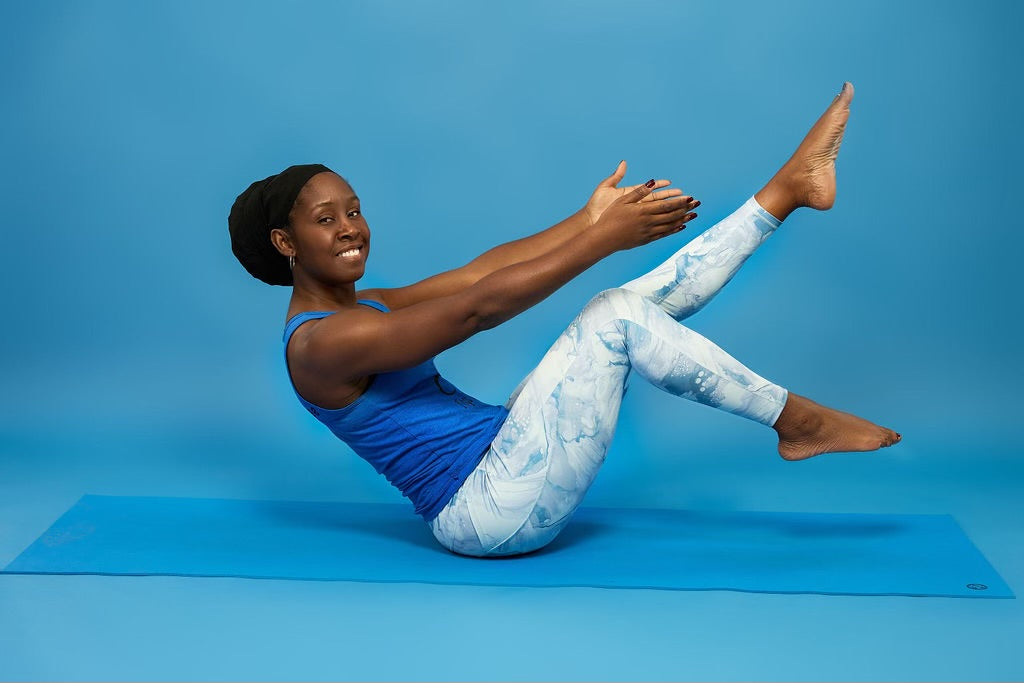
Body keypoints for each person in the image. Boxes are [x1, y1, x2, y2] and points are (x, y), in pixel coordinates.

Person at [228, 82, 900, 557]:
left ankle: (785, 191)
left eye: (353, 209)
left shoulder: (363, 306)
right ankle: (797, 421)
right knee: (614, 316)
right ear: (286, 244)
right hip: (488, 511)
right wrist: (602, 240)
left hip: (507, 460)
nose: (351, 227)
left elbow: (473, 274)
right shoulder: (321, 343)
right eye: (326, 220)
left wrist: (588, 220)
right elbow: (476, 309)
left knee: (631, 306)